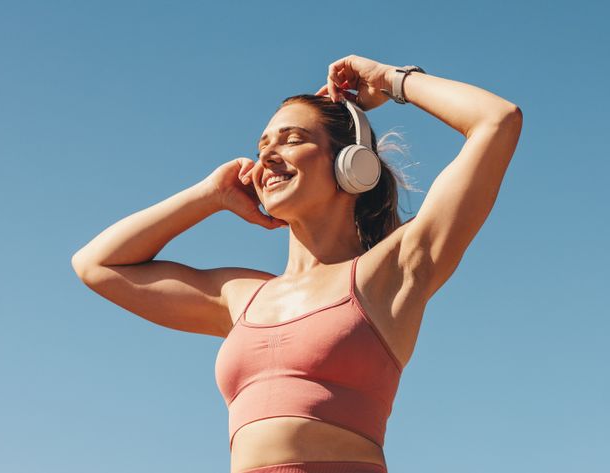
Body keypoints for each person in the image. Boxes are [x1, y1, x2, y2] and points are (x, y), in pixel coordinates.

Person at [71, 54, 523, 473]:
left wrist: (389, 80)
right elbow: (98, 265)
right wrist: (209, 195)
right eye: (262, 145)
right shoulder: (241, 296)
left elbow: (496, 120)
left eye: (293, 139)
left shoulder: (392, 271)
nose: (268, 155)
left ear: (352, 166)